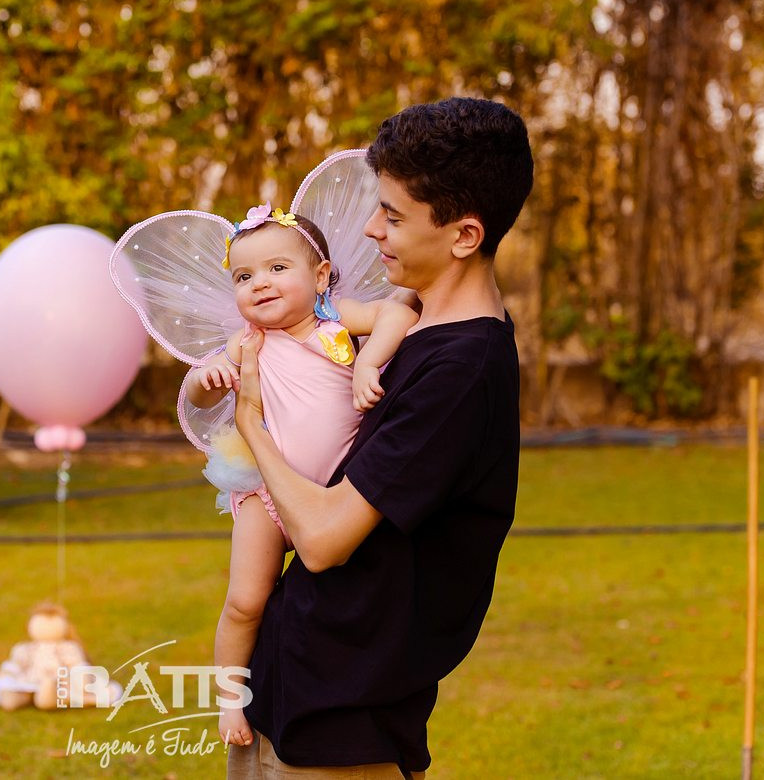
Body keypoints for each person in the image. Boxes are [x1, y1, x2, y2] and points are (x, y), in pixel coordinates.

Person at [228, 97, 534, 779]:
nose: (370, 229)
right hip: (291, 688)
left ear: (464, 235)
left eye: (392, 216)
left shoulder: (458, 373)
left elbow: (322, 538)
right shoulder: (420, 324)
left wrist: (251, 424)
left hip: (341, 729)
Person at [182, 207, 417, 747]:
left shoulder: (337, 322)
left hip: (336, 497)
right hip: (268, 495)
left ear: (320, 276)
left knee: (345, 603)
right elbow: (195, 390)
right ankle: (229, 700)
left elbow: (397, 316)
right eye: (244, 276)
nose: (260, 284)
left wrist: (366, 363)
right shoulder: (248, 343)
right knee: (245, 601)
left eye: (277, 268)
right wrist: (207, 377)